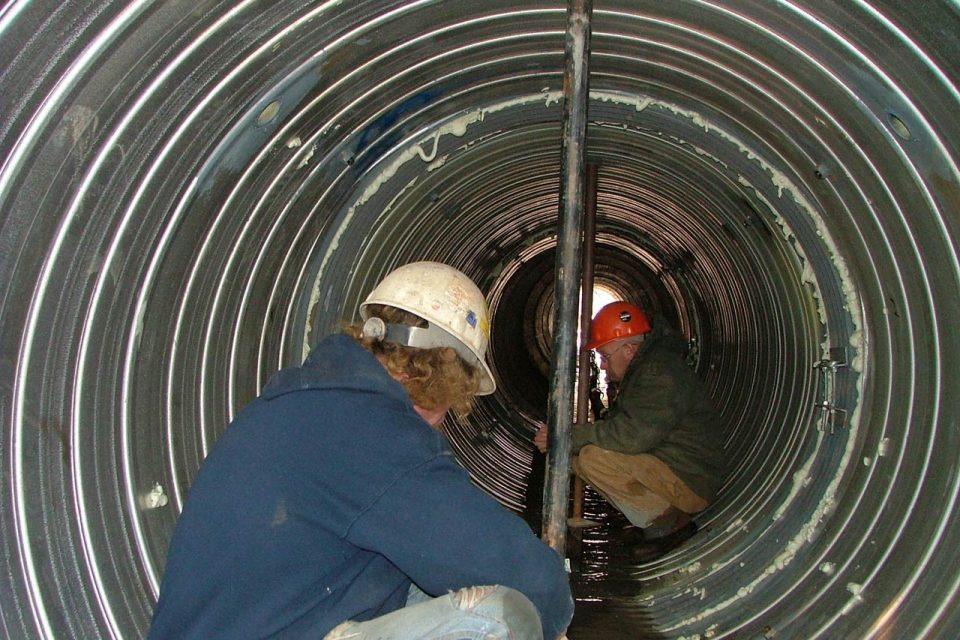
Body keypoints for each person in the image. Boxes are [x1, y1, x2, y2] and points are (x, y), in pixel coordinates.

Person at [150, 261, 573, 640]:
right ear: (444, 375)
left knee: (417, 575)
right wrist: (555, 615)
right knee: (500, 617)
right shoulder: (377, 434)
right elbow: (526, 575)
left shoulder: (312, 404)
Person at [535, 301, 726, 561]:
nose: (602, 365)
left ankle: (670, 526)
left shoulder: (660, 373)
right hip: (672, 466)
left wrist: (564, 436)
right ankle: (650, 520)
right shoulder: (646, 369)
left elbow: (630, 436)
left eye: (605, 356)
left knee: (594, 458)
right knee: (576, 460)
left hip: (690, 480)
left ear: (629, 349)